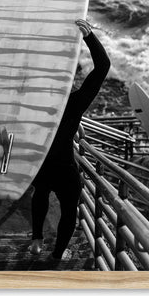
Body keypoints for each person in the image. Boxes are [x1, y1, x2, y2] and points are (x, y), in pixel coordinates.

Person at [30, 19, 111, 261]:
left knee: (40, 194)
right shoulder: (73, 104)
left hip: (40, 164)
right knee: (68, 212)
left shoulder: (32, 103)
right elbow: (103, 66)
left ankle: (36, 241)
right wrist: (89, 37)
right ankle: (56, 255)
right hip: (65, 168)